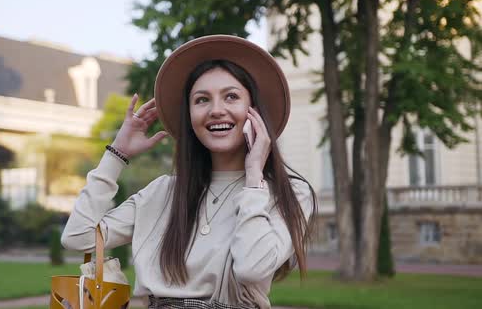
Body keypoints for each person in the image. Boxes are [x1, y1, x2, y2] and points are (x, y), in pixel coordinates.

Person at [61, 35, 317, 309]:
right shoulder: (162, 192)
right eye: (202, 100)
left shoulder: (289, 194)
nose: (216, 110)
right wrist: (116, 155)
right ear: (191, 117)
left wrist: (254, 176)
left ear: (253, 111)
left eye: (231, 96)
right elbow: (78, 237)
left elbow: (251, 269)